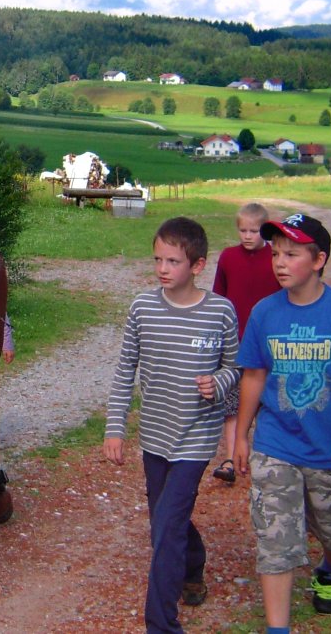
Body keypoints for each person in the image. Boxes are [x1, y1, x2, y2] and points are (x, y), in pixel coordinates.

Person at [231, 213, 331, 631]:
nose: (279, 262)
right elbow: (254, 374)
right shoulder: (265, 313)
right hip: (275, 442)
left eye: (292, 254)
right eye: (276, 253)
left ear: (318, 260)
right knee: (276, 539)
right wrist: (242, 434)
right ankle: (277, 628)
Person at [102, 217, 240, 634]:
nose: (163, 268)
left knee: (164, 532)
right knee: (165, 520)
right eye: (158, 259)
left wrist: (217, 382)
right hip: (155, 436)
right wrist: (115, 428)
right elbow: (126, 369)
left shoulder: (220, 311)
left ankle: (161, 624)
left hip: (196, 438)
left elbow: (236, 366)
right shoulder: (142, 307)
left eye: (173, 261)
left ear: (197, 265)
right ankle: (193, 564)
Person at [210, 202, 282, 483]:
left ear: (264, 230)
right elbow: (219, 296)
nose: (248, 236)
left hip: (268, 342)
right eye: (243, 230)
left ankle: (265, 456)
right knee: (231, 402)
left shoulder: (275, 258)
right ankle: (229, 458)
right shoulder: (228, 257)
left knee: (267, 401)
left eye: (254, 231)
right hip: (234, 341)